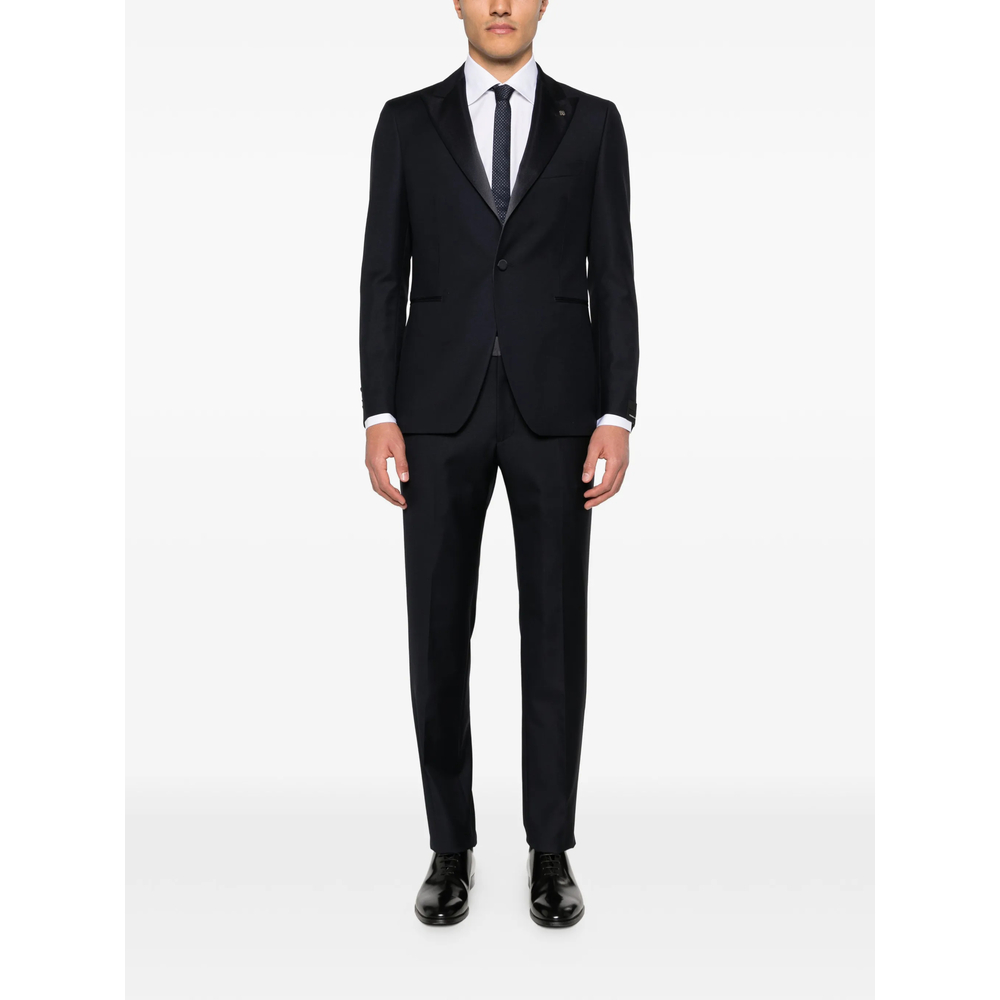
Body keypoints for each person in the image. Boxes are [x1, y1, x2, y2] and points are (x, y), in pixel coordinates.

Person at [358, 0, 639, 928]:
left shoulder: (592, 125)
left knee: (555, 634)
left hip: (556, 412)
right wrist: (379, 410)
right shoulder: (407, 123)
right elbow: (382, 273)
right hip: (435, 414)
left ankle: (550, 849)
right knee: (437, 633)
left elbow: (613, 274)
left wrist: (616, 411)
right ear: (458, 2)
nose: (502, 5)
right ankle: (450, 845)